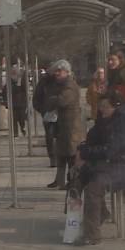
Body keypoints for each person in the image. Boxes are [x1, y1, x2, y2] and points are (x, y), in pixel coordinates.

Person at [73, 91, 125, 245]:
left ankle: (92, 235)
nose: (102, 110)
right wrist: (82, 150)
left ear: (116, 107)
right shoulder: (106, 120)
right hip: (110, 163)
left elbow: (112, 150)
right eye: (100, 107)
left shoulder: (124, 121)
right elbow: (92, 138)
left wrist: (85, 153)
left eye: (105, 107)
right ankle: (96, 216)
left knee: (93, 187)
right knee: (78, 180)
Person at [45, 59, 83, 189]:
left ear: (66, 72)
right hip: (63, 125)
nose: (56, 73)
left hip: (71, 126)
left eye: (59, 71)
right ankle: (60, 180)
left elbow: (61, 100)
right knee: (62, 154)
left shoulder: (69, 85)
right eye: (55, 71)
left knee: (71, 155)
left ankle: (73, 181)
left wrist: (53, 99)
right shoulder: (61, 84)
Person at [33, 65, 58, 167]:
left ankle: (60, 157)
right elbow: (36, 99)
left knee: (61, 136)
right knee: (50, 136)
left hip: (62, 113)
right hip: (48, 114)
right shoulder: (44, 82)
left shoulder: (63, 81)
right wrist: (43, 110)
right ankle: (53, 158)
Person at [2, 65, 27, 137]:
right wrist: (6, 102)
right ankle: (15, 133)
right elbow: (5, 92)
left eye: (16, 74)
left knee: (21, 118)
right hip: (13, 104)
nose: (15, 76)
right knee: (14, 119)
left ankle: (23, 128)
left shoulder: (21, 82)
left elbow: (25, 91)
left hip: (21, 103)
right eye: (13, 74)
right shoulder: (9, 83)